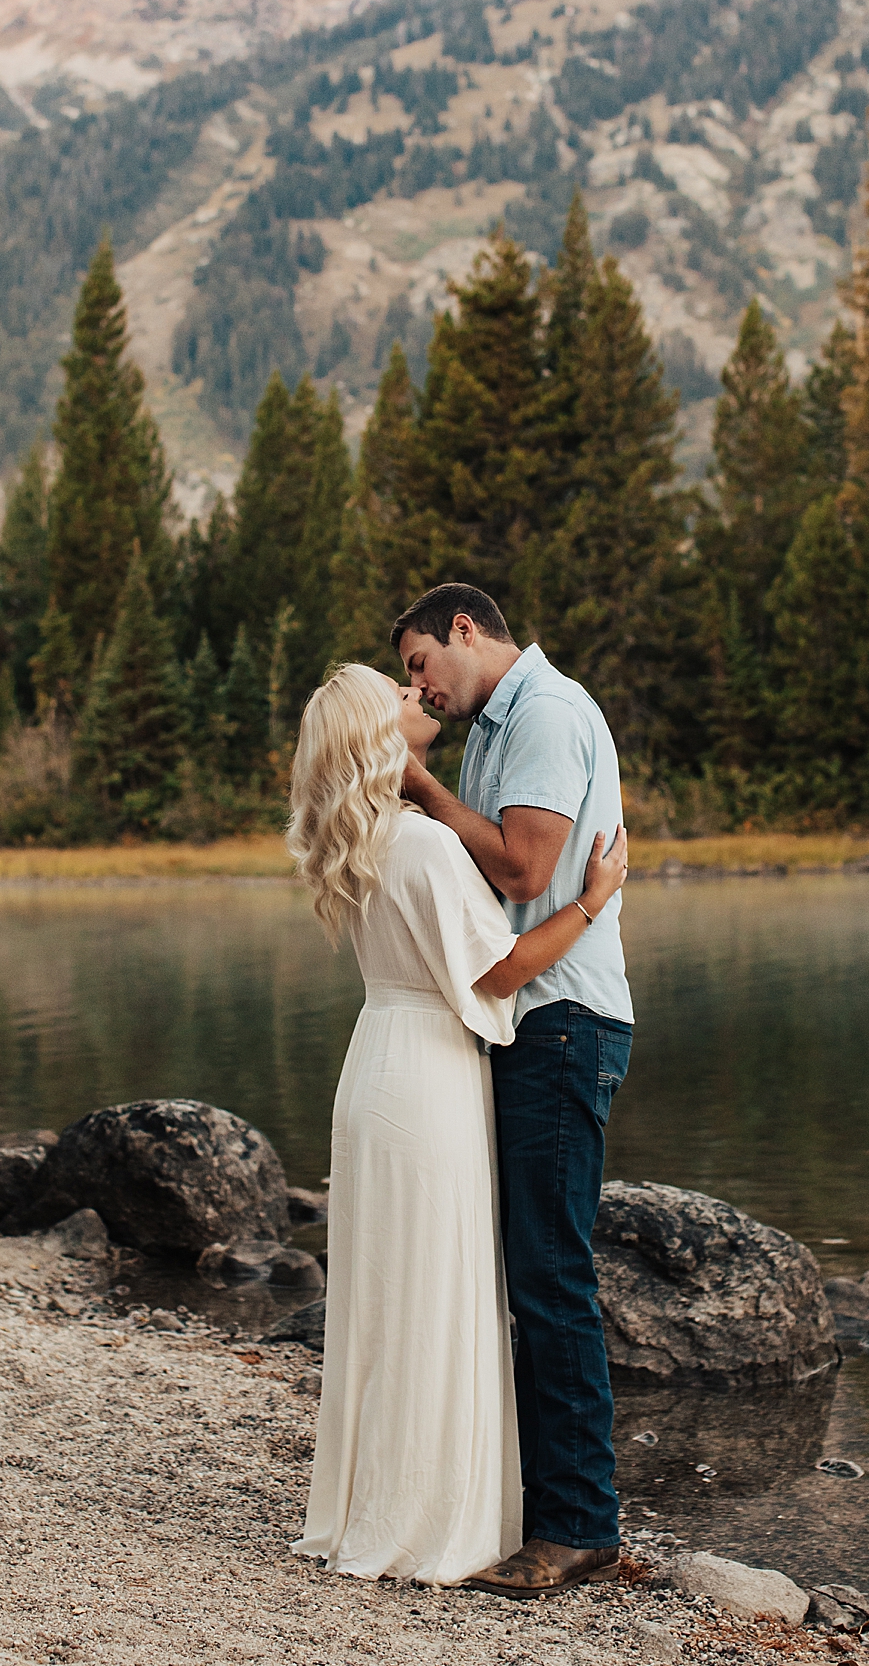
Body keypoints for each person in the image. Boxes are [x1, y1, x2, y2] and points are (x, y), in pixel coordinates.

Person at [287, 663, 627, 1587]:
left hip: (375, 1064)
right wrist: (593, 900)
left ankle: (380, 1503)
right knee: (438, 1296)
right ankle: (439, 1518)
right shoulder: (426, 845)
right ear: (379, 738)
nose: (417, 696)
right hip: (429, 1078)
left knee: (389, 1297)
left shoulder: (357, 844)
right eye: (397, 693)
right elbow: (503, 972)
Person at [393, 584, 633, 1599]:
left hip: (563, 1019)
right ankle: (549, 1507)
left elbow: (529, 869)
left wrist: (424, 792)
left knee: (550, 1276)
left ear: (464, 629)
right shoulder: (495, 725)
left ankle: (579, 1524)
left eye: (419, 664)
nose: (420, 686)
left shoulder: (540, 712)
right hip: (527, 1015)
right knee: (530, 1274)